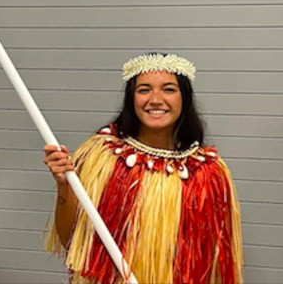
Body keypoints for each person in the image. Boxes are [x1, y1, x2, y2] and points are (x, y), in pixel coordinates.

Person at [43, 53, 243, 284]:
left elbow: (215, 265)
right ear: (132, 99)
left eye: (168, 89)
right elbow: (71, 241)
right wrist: (64, 186)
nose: (155, 99)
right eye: (144, 90)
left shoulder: (208, 172)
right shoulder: (102, 156)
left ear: (184, 99)